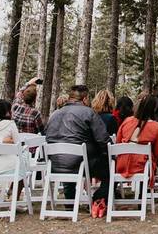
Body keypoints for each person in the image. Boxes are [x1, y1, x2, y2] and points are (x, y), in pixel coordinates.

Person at [45, 85, 111, 218]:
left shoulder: (55, 114)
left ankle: (70, 203)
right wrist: (110, 153)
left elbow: (47, 136)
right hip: (82, 163)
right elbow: (103, 140)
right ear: (85, 98)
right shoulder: (88, 113)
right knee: (111, 169)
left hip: (55, 164)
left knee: (68, 160)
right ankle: (96, 198)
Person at [115, 94, 158, 186]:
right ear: (154, 109)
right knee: (151, 158)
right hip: (142, 167)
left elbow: (117, 142)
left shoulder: (127, 121)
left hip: (121, 164)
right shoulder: (157, 126)